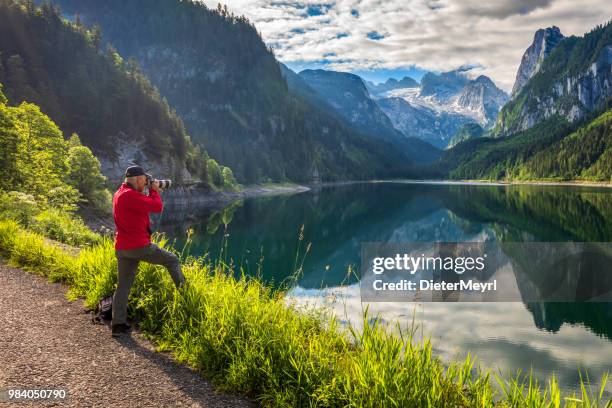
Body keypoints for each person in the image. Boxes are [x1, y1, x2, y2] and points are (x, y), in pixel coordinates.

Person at [111, 165, 185, 337]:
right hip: (138, 246)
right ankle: (186, 294)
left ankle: (118, 325)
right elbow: (157, 207)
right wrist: (154, 190)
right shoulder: (130, 196)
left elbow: (139, 207)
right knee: (172, 260)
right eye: (144, 180)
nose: (145, 184)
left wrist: (148, 189)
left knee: (123, 286)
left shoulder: (119, 193)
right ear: (137, 179)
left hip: (122, 248)